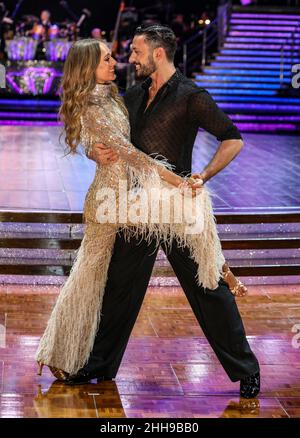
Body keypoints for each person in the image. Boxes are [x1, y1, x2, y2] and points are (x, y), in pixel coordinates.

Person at [65, 26, 260, 399]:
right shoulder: (133, 96)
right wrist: (92, 151)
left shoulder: (191, 96)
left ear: (157, 54)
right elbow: (106, 134)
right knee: (120, 287)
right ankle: (100, 364)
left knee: (208, 288)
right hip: (137, 208)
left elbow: (233, 139)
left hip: (176, 208)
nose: (130, 59)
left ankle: (246, 369)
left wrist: (203, 175)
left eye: (137, 52)